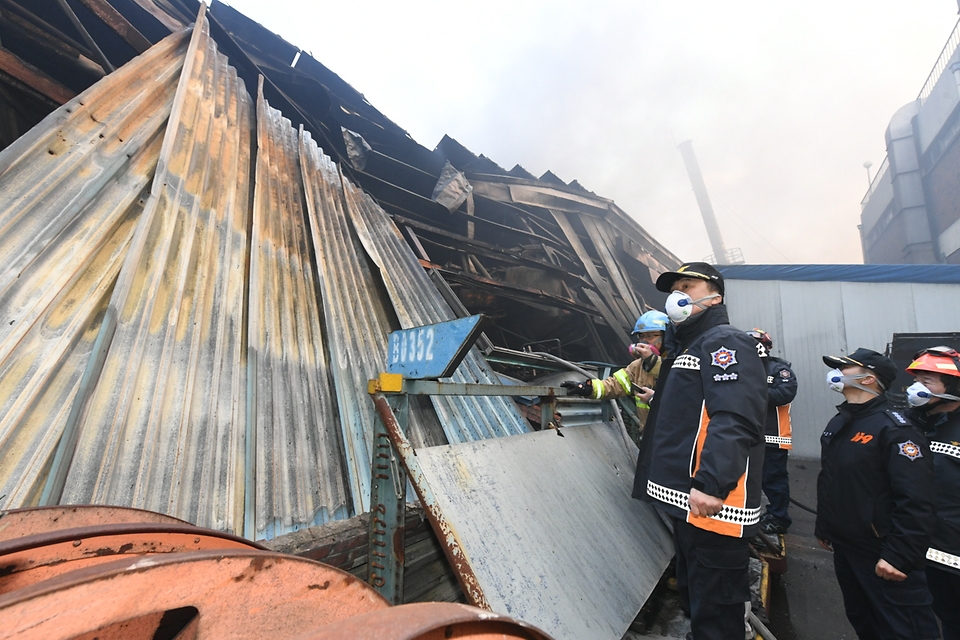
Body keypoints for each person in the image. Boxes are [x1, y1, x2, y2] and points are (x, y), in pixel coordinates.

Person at [630, 262, 767, 640]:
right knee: (698, 603)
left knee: (717, 615)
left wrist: (712, 483)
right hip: (689, 505)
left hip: (711, 505)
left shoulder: (725, 341)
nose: (678, 295)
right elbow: (697, 408)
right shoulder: (690, 345)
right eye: (675, 288)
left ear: (715, 295)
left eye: (688, 286)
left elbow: (735, 417)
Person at [816, 348, 939, 640]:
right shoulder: (841, 422)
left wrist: (899, 555)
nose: (837, 373)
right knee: (864, 622)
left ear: (868, 379)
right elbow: (832, 480)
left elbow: (917, 500)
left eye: (845, 368)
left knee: (903, 629)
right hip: (847, 549)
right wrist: (825, 527)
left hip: (882, 555)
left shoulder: (896, 430)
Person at [904, 346, 960, 640]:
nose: (916, 388)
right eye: (916, 380)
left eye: (927, 382)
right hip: (920, 548)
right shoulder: (911, 423)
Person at [561, 310, 668, 430]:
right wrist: (587, 388)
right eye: (641, 336)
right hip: (650, 437)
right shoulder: (637, 366)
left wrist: (653, 362)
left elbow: (671, 380)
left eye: (650, 336)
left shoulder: (680, 363)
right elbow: (615, 384)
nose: (643, 341)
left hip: (675, 437)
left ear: (667, 337)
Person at [745, 329, 797, 535]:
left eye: (757, 343)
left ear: (767, 346)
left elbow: (785, 393)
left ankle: (779, 518)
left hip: (772, 437)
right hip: (747, 435)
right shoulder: (743, 369)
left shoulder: (779, 370)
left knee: (773, 479)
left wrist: (750, 392)